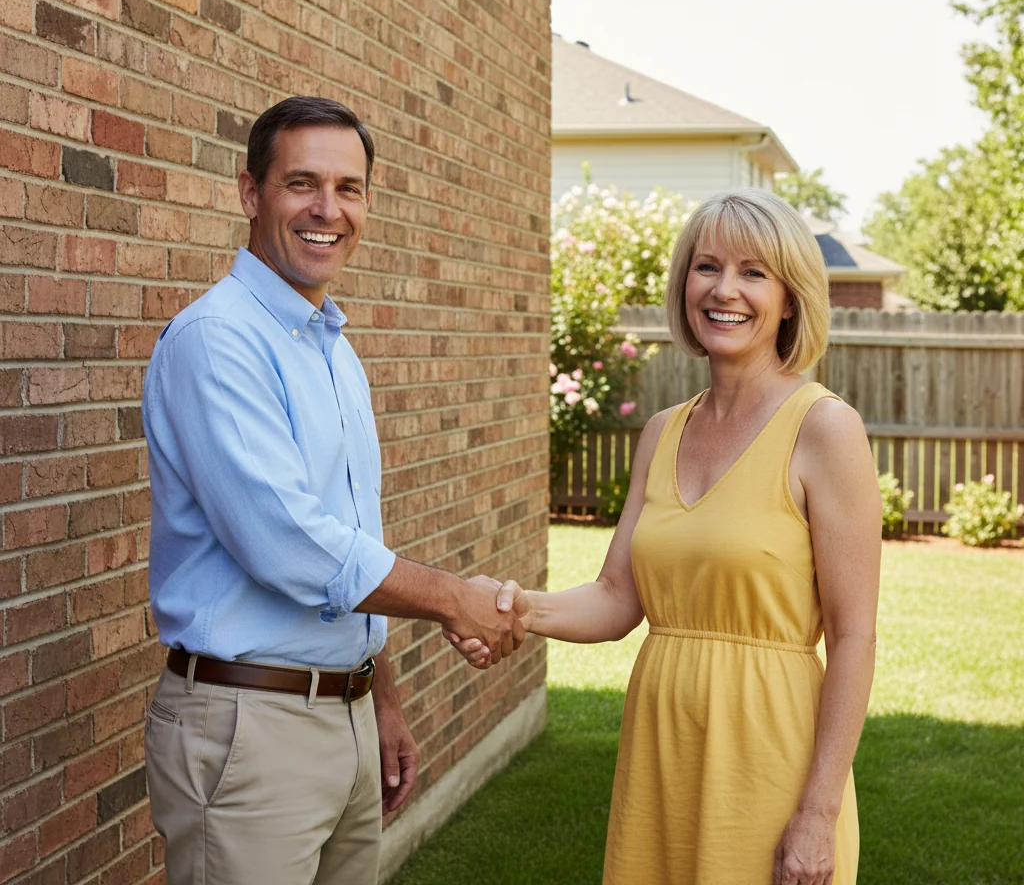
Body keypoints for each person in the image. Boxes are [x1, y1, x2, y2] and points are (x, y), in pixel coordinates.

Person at [449, 188, 881, 885]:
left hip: (770, 756)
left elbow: (855, 636)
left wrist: (818, 813)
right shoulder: (663, 431)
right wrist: (513, 609)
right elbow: (619, 598)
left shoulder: (825, 429)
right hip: (663, 749)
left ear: (790, 298)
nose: (725, 290)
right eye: (706, 267)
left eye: (754, 272)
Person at [142, 96, 524, 885]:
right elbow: (288, 543)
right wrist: (455, 598)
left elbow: (352, 535)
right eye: (303, 184)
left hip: (341, 717)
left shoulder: (329, 347)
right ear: (252, 195)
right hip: (251, 730)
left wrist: (378, 695)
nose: (328, 210)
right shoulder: (220, 341)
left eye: (349, 188)